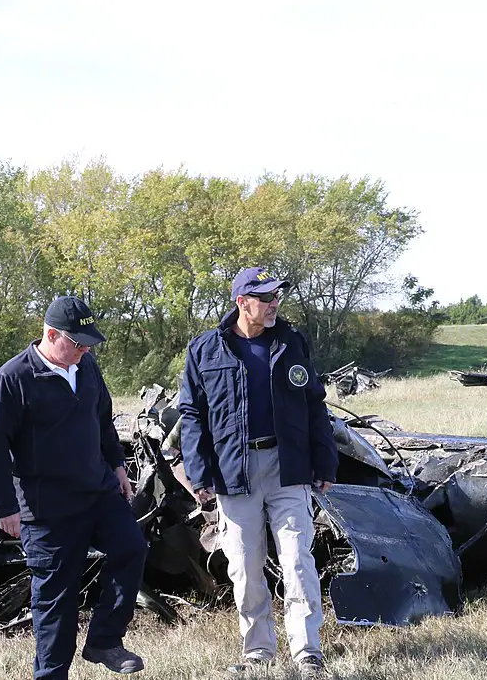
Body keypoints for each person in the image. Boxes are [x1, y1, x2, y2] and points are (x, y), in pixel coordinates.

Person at [179, 268, 339, 679]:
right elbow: (192, 415)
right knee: (245, 565)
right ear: (241, 302)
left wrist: (325, 460)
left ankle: (307, 652)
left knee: (297, 559)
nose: (274, 304)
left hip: (289, 467)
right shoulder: (205, 350)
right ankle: (259, 652)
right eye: (265, 297)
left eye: (277, 296)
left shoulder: (292, 341)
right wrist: (199, 473)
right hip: (235, 471)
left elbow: (314, 404)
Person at [0, 296, 147, 679]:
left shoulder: (86, 366)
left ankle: (105, 640)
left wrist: (118, 465)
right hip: (47, 509)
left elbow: (103, 421)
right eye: (77, 342)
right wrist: (5, 506)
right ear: (51, 334)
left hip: (99, 492)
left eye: (88, 342)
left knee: (132, 548)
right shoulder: (13, 378)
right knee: (56, 603)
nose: (85, 348)